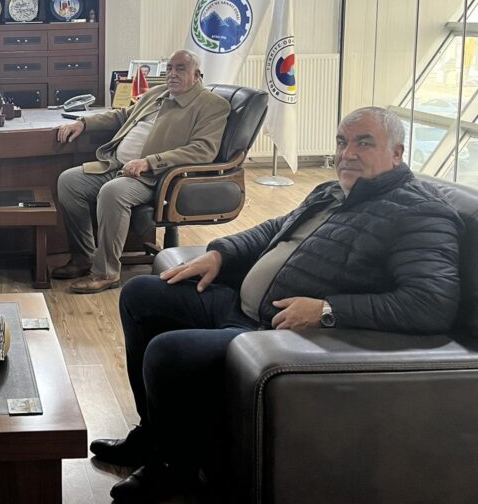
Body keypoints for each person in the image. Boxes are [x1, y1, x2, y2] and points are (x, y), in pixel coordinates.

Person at [93, 106, 463, 503]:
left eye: (364, 143)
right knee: (140, 294)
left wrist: (327, 310)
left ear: (397, 153)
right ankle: (152, 435)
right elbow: (275, 227)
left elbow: (431, 303)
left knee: (169, 352)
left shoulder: (419, 211)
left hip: (275, 333)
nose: (347, 153)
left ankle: (173, 470)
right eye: (342, 142)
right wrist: (220, 253)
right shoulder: (333, 190)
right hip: (241, 305)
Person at [54, 49, 231, 293]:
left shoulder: (211, 105)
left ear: (197, 75)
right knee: (69, 182)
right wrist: (83, 123)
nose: (172, 74)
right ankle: (83, 257)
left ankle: (106, 273)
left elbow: (203, 150)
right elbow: (123, 115)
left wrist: (150, 162)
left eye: (180, 69)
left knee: (113, 192)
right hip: (117, 165)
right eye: (169, 68)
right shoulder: (157, 93)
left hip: (156, 177)